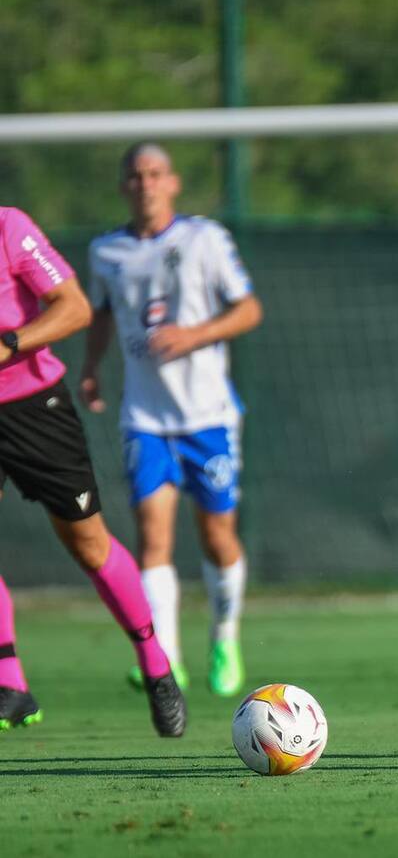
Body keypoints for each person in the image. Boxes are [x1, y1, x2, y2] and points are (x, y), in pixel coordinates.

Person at [81, 143, 263, 697]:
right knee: (152, 537)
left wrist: (195, 334)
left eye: (155, 174)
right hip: (145, 418)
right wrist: (90, 368)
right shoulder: (107, 252)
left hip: (208, 415)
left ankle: (225, 636)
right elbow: (102, 314)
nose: (145, 184)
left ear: (173, 183)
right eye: (135, 176)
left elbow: (248, 309)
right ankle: (167, 660)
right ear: (123, 187)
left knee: (216, 534)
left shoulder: (205, 239)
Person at [0, 205, 186, 737]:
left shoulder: (8, 227)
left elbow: (75, 308)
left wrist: (8, 343)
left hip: (33, 406)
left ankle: (155, 663)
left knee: (89, 546)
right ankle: (10, 684)